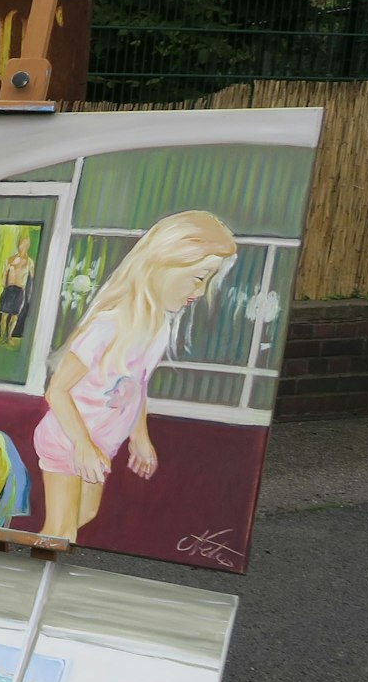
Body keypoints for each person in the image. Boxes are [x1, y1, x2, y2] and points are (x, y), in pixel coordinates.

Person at [35, 211, 237, 539]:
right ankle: (24, 572)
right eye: (199, 277)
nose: (200, 292)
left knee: (85, 514)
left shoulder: (157, 327)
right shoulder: (108, 325)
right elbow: (56, 392)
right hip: (68, 438)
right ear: (163, 264)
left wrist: (139, 437)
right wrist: (82, 444)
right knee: (61, 530)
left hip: (102, 442)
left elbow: (136, 386)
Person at [0, 236, 36, 343]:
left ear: (28, 246)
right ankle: (2, 337)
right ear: (18, 244)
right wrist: (4, 285)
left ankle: (9, 337)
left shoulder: (29, 262)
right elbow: (4, 273)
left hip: (20, 290)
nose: (23, 246)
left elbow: (33, 277)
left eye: (26, 244)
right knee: (4, 315)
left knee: (15, 316)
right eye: (22, 244)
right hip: (9, 289)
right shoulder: (10, 259)